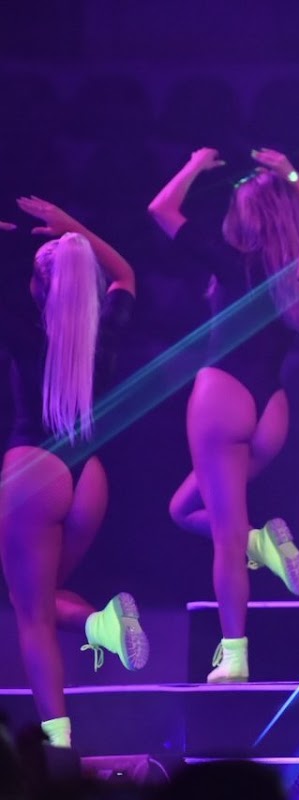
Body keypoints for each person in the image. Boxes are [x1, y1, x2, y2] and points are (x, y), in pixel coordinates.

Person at [149, 146, 299, 683]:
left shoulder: (232, 260)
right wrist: (292, 177)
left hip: (224, 397)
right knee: (182, 509)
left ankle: (236, 655)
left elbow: (160, 210)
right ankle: (260, 542)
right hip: (273, 409)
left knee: (224, 536)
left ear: (246, 217)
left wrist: (194, 164)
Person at [0, 198, 143, 749]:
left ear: (40, 287)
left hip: (33, 472)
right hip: (88, 479)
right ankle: (97, 625)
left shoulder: (26, 329)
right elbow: (125, 274)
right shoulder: (103, 332)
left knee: (32, 616)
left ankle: (58, 747)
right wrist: (73, 229)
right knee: (37, 598)